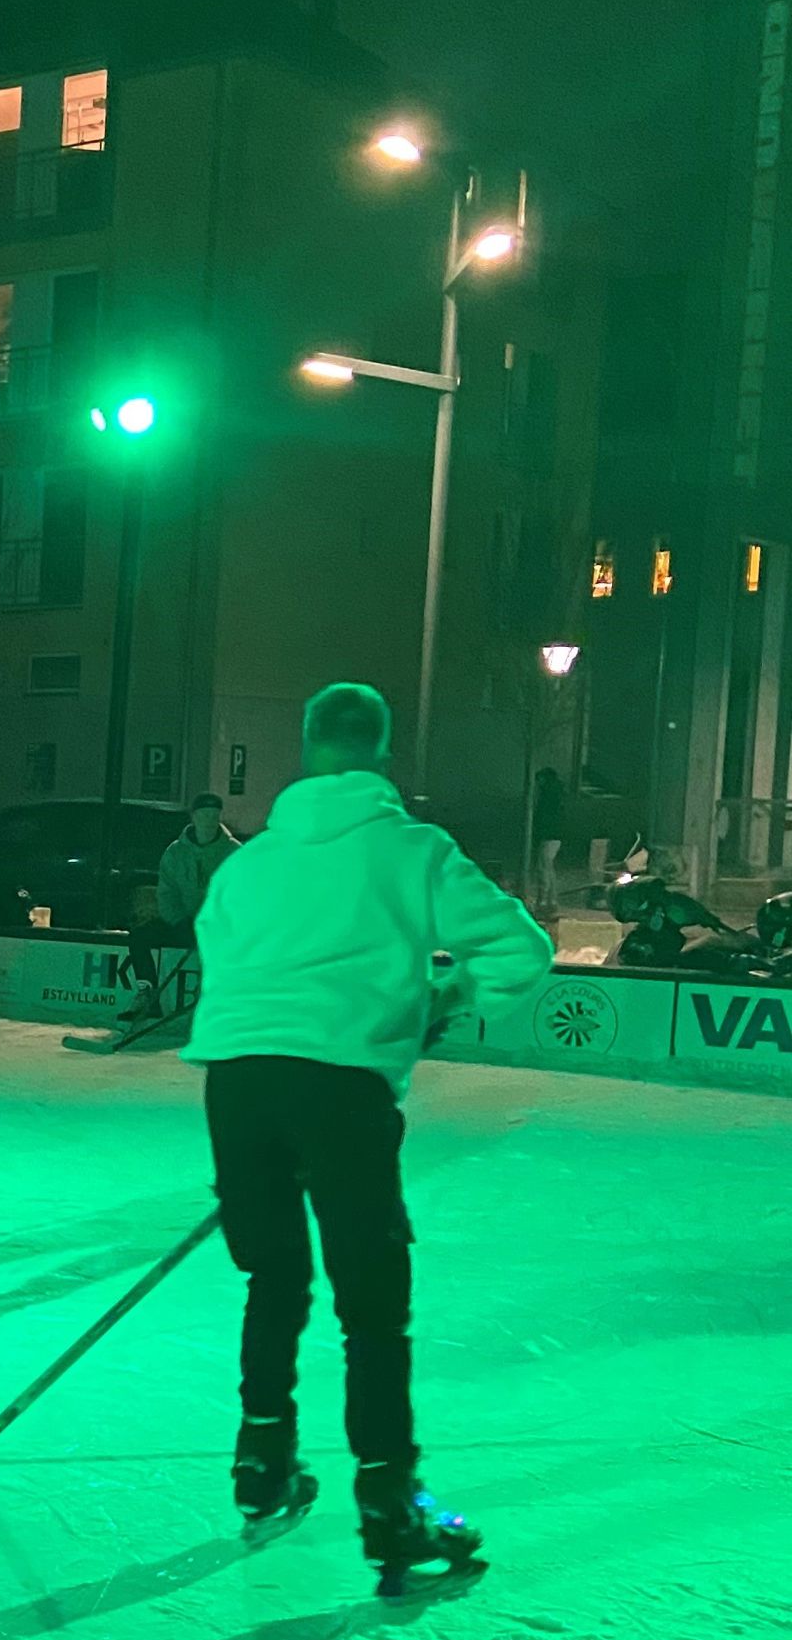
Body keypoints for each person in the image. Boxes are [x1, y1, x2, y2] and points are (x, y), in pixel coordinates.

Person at [186, 681, 553, 1588]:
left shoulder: (250, 863)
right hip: (342, 1086)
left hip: (239, 1082)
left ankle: (262, 1463)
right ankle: (390, 1500)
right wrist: (444, 997)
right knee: (372, 1303)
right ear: (382, 750)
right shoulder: (413, 850)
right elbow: (521, 949)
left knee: (273, 1278)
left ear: (307, 748)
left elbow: (223, 963)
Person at [123, 791, 239, 1024]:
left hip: (219, 927)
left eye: (214, 815)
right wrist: (180, 920)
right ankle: (147, 994)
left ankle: (216, 1004)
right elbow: (167, 893)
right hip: (183, 923)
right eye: (204, 815)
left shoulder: (234, 852)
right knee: (140, 936)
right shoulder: (176, 852)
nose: (210, 821)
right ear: (194, 817)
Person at [531, 765, 565, 917]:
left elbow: (543, 816)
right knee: (548, 867)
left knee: (544, 867)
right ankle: (551, 900)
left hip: (549, 834)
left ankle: (543, 900)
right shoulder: (556, 793)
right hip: (555, 834)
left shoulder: (548, 796)